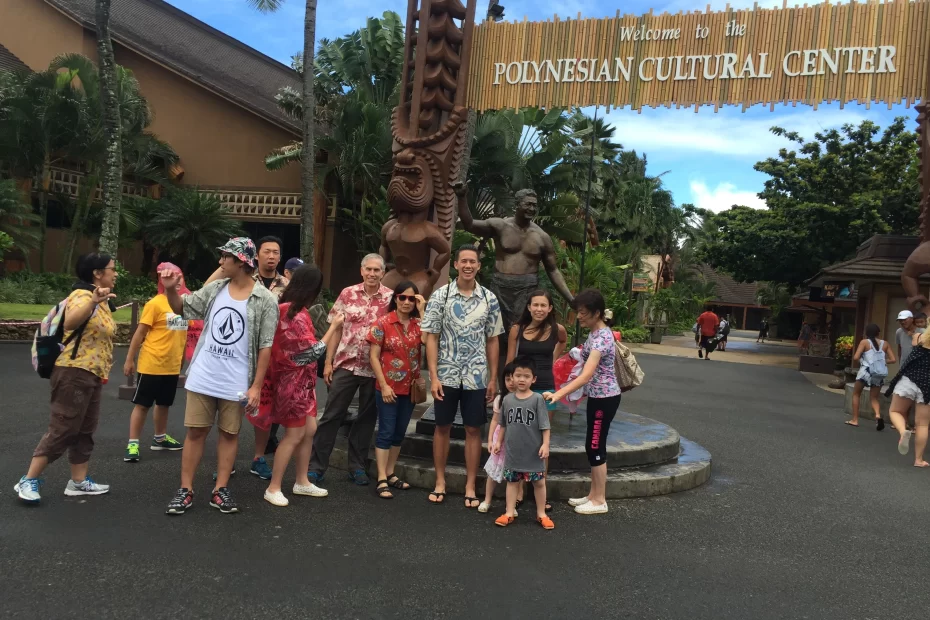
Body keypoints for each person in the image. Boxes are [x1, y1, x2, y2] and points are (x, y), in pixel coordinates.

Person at [161, 237, 279, 515]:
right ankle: (185, 490)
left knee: (229, 433)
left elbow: (266, 345)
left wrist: (256, 387)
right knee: (195, 433)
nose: (221, 261)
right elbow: (183, 308)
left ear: (240, 262)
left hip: (236, 380)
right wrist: (170, 291)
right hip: (204, 375)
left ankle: (220, 489)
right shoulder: (216, 288)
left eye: (226, 257)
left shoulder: (265, 299)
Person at [15, 253, 117, 503]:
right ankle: (28, 480)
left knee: (85, 430)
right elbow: (71, 323)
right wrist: (92, 302)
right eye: (112, 269)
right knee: (63, 427)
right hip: (73, 372)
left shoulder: (101, 299)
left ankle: (78, 482)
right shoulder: (83, 296)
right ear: (97, 273)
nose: (115, 273)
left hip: (92, 374)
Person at [422, 244, 505, 507]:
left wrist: (493, 378)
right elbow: (431, 338)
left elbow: (493, 340)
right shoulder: (440, 296)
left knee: (473, 429)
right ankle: (440, 481)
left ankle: (470, 485)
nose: (468, 266)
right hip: (446, 374)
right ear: (456, 265)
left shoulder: (489, 299)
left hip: (476, 376)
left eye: (473, 262)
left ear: (479, 266)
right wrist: (433, 376)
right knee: (442, 426)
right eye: (464, 261)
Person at [260, 265, 344, 506]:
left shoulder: (297, 310)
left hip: (302, 384)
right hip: (292, 383)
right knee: (294, 434)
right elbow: (310, 352)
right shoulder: (290, 312)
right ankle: (273, 487)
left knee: (308, 430)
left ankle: (302, 481)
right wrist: (333, 327)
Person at [309, 253, 393, 487]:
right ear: (362, 271)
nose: (372, 274)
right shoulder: (348, 293)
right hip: (345, 364)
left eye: (377, 270)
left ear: (383, 273)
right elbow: (336, 329)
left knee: (366, 419)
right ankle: (316, 467)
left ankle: (357, 467)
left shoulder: (390, 298)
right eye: (369, 269)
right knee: (331, 416)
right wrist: (328, 362)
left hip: (374, 368)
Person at [543, 288, 621, 516]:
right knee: (593, 444)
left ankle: (599, 500)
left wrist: (558, 394)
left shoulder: (602, 338)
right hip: (599, 397)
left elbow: (586, 375)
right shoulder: (595, 334)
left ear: (596, 313)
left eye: (583, 312)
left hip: (605, 398)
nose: (579, 316)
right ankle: (593, 494)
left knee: (596, 446)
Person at [455, 184, 573, 332]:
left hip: (527, 290)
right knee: (495, 332)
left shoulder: (542, 237)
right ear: (517, 205)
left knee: (523, 332)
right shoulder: (500, 226)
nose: (531, 208)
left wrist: (571, 299)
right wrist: (461, 197)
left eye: (534, 205)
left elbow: (553, 270)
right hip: (500, 287)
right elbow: (469, 224)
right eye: (528, 204)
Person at [122, 262, 188, 463]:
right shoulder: (155, 303)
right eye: (172, 276)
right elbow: (140, 333)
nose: (177, 281)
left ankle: (159, 438)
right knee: (142, 405)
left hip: (171, 366)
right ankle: (133, 443)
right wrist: (129, 360)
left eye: (180, 277)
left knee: (164, 404)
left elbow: (183, 336)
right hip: (151, 364)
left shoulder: (185, 305)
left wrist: (182, 362)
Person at [367, 280, 426, 499]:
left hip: (409, 389)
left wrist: (423, 310)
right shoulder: (383, 322)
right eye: (402, 297)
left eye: (412, 298)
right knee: (386, 431)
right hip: (388, 387)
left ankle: (391, 472)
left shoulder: (419, 325)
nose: (407, 302)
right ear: (395, 298)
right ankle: (381, 476)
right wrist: (383, 385)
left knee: (400, 432)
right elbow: (374, 356)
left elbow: (429, 342)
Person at [492, 357, 554, 530]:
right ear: (512, 377)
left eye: (526, 376)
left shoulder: (537, 399)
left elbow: (545, 425)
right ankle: (509, 512)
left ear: (533, 379)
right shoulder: (507, 400)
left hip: (533, 451)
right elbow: (503, 424)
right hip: (513, 451)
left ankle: (541, 513)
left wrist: (545, 444)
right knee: (511, 482)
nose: (521, 379)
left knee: (539, 483)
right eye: (518, 375)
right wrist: (498, 442)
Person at [251, 236, 289, 469]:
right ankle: (226, 461)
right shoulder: (245, 280)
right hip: (243, 351)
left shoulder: (287, 286)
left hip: (273, 354)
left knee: (266, 406)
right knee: (231, 408)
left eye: (276, 252)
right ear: (257, 255)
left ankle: (259, 457)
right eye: (267, 252)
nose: (271, 256)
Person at [505, 289, 567, 408]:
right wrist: (508, 382)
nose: (539, 309)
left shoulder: (557, 329)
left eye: (543, 305)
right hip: (521, 385)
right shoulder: (517, 329)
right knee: (519, 425)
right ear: (529, 307)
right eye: (535, 305)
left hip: (546, 387)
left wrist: (554, 358)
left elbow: (563, 341)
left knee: (544, 426)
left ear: (549, 308)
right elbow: (510, 361)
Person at [886, 329, 930, 467]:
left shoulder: (918, 338)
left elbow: (913, 343)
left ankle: (903, 431)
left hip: (909, 380)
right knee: (923, 424)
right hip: (928, 386)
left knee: (895, 411)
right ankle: (918, 460)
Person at [480, 363, 516, 514]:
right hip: (499, 442)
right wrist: (490, 440)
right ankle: (487, 499)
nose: (512, 383)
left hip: (516, 442)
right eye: (508, 379)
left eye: (515, 378)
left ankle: (510, 506)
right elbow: (495, 420)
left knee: (514, 476)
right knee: (492, 473)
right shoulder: (500, 399)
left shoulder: (527, 399)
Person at [847, 324, 896, 429]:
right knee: (874, 398)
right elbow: (893, 359)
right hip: (878, 374)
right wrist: (881, 362)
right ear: (878, 333)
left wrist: (866, 360)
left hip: (865, 372)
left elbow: (856, 357)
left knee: (856, 394)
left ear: (866, 333)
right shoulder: (885, 343)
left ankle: (855, 420)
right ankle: (878, 416)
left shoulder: (864, 342)